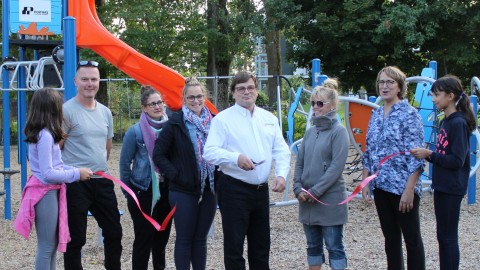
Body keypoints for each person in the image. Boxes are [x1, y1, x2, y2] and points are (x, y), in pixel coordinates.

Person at [203, 71, 291, 269]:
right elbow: (209, 152)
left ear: (257, 91)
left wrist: (281, 174)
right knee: (234, 247)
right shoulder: (222, 120)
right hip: (234, 189)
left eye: (250, 87)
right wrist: (235, 158)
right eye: (241, 89)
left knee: (261, 245)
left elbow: (281, 150)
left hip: (261, 190)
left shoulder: (269, 118)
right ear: (233, 93)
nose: (246, 92)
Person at [13, 88, 93, 270]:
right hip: (45, 192)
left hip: (49, 191)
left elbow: (55, 166)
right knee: (47, 247)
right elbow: (48, 173)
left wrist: (76, 170)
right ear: (52, 110)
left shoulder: (44, 134)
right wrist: (76, 174)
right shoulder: (45, 136)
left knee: (51, 246)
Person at [361, 66, 425, 270]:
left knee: (412, 240)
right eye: (381, 82)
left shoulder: (409, 114)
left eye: (390, 82)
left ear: (400, 87)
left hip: (403, 187)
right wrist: (365, 181)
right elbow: (369, 150)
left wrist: (409, 191)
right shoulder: (376, 114)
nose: (384, 86)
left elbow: (417, 155)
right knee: (391, 240)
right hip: (381, 186)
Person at [61, 60, 123, 270]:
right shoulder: (66, 111)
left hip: (102, 180)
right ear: (75, 81)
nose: (90, 83)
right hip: (76, 183)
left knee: (114, 232)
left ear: (99, 81)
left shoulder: (105, 112)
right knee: (76, 238)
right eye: (85, 79)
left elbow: (106, 146)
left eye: (94, 79)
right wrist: (73, 172)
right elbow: (56, 148)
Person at [410, 75, 476, 270]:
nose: (433, 99)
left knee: (448, 238)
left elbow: (457, 160)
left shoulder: (458, 123)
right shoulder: (445, 121)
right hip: (442, 185)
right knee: (443, 236)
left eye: (437, 95)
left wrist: (429, 154)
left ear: (450, 96)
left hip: (452, 187)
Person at [152, 77, 216, 270]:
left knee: (201, 239)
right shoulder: (176, 122)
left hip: (209, 188)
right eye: (191, 98)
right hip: (183, 190)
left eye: (199, 97)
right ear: (184, 99)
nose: (195, 101)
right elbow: (159, 154)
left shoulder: (214, 120)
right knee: (185, 238)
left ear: (205, 97)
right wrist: (177, 175)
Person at [293, 86, 349, 270]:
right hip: (307, 201)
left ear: (333, 105)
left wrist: (315, 191)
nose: (315, 107)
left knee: (335, 247)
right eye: (313, 103)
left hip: (329, 201)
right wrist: (297, 187)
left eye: (320, 103)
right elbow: (299, 162)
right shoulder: (310, 132)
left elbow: (336, 168)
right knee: (313, 247)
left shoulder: (339, 132)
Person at [119, 86, 172, 270]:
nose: (157, 106)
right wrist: (128, 193)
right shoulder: (135, 132)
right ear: (144, 108)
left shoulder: (171, 128)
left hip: (166, 190)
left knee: (162, 239)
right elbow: (125, 164)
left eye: (160, 102)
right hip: (142, 190)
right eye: (153, 104)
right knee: (143, 239)